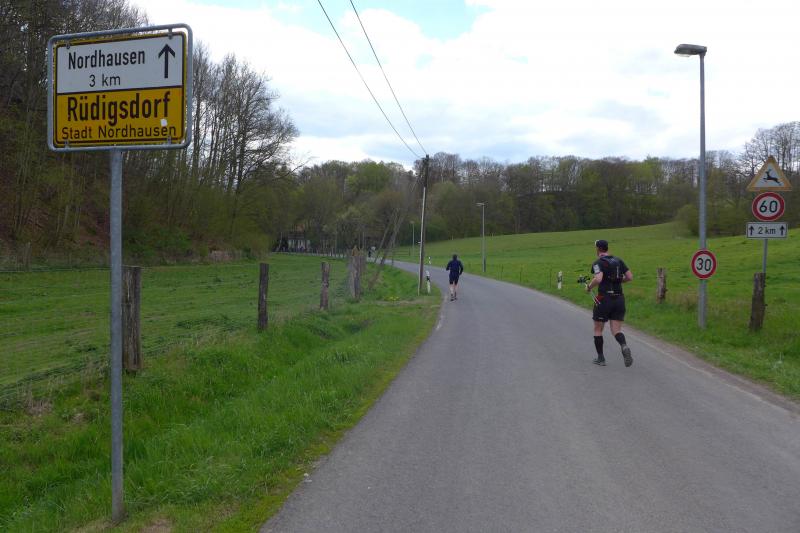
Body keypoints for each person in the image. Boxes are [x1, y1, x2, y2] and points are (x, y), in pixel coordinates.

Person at [586, 239, 633, 367]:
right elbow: (630, 277)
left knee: (598, 329)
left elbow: (598, 278)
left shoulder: (598, 262)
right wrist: (618, 281)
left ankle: (601, 358)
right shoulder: (618, 260)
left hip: (604, 299)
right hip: (619, 299)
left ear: (598, 249)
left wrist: (589, 287)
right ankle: (624, 345)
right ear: (607, 248)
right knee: (616, 330)